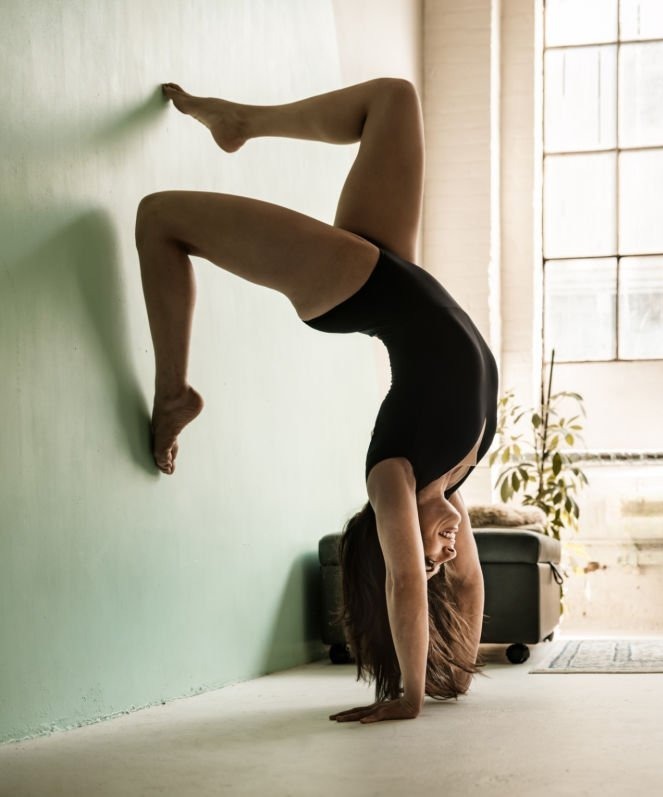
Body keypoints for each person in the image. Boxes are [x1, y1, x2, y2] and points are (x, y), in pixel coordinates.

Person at [136, 78, 497, 724]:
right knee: (397, 98)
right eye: (444, 558)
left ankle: (173, 393)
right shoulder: (455, 475)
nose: (445, 554)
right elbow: (466, 586)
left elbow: (405, 580)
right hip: (392, 272)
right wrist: (456, 675)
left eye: (428, 556)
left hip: (351, 287)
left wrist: (410, 696)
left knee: (158, 218)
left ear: (397, 540)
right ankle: (242, 119)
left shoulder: (394, 473)